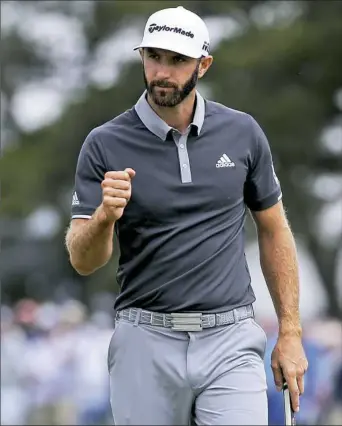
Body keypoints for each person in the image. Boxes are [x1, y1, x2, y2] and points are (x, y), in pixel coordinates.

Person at [65, 5, 308, 425]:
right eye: (154, 56)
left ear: (203, 64)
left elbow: (274, 231)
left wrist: (290, 332)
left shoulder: (243, 132)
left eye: (177, 60)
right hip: (145, 339)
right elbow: (83, 261)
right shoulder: (104, 143)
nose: (163, 71)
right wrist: (105, 215)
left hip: (230, 338)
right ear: (141, 57)